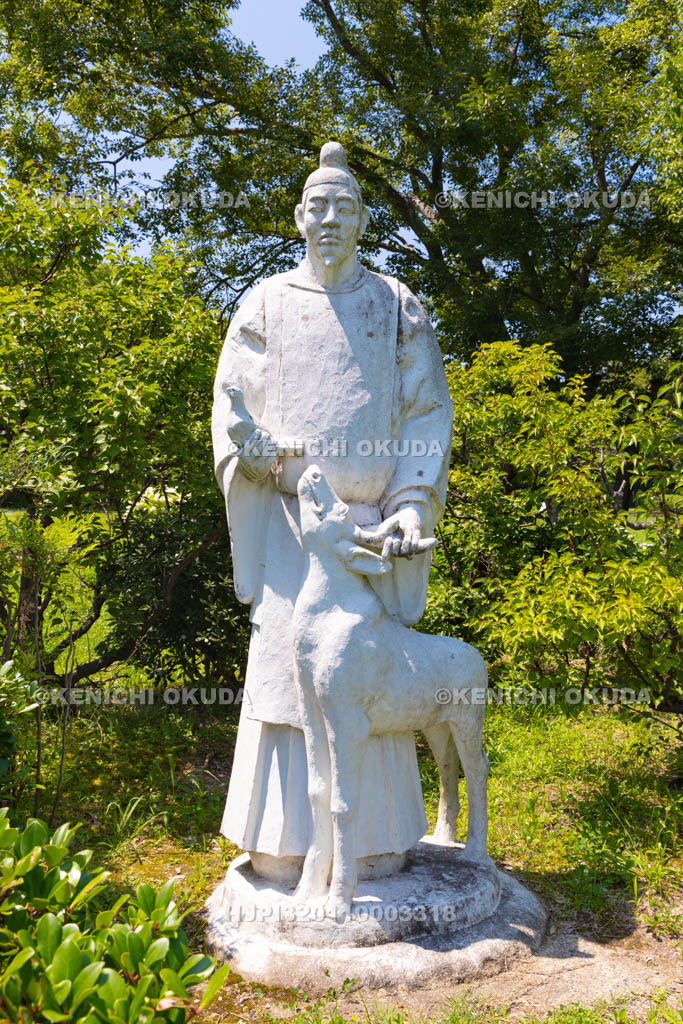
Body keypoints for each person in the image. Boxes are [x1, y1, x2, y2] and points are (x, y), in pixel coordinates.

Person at [212, 142, 453, 880]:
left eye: (344, 206)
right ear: (297, 218)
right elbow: (232, 406)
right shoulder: (265, 302)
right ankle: (285, 848)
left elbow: (426, 412)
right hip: (293, 536)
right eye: (317, 206)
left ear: (362, 220)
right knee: (290, 680)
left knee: (370, 683)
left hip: (373, 534)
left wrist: (411, 503)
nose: (329, 219)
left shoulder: (396, 302)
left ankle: (376, 845)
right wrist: (254, 453)